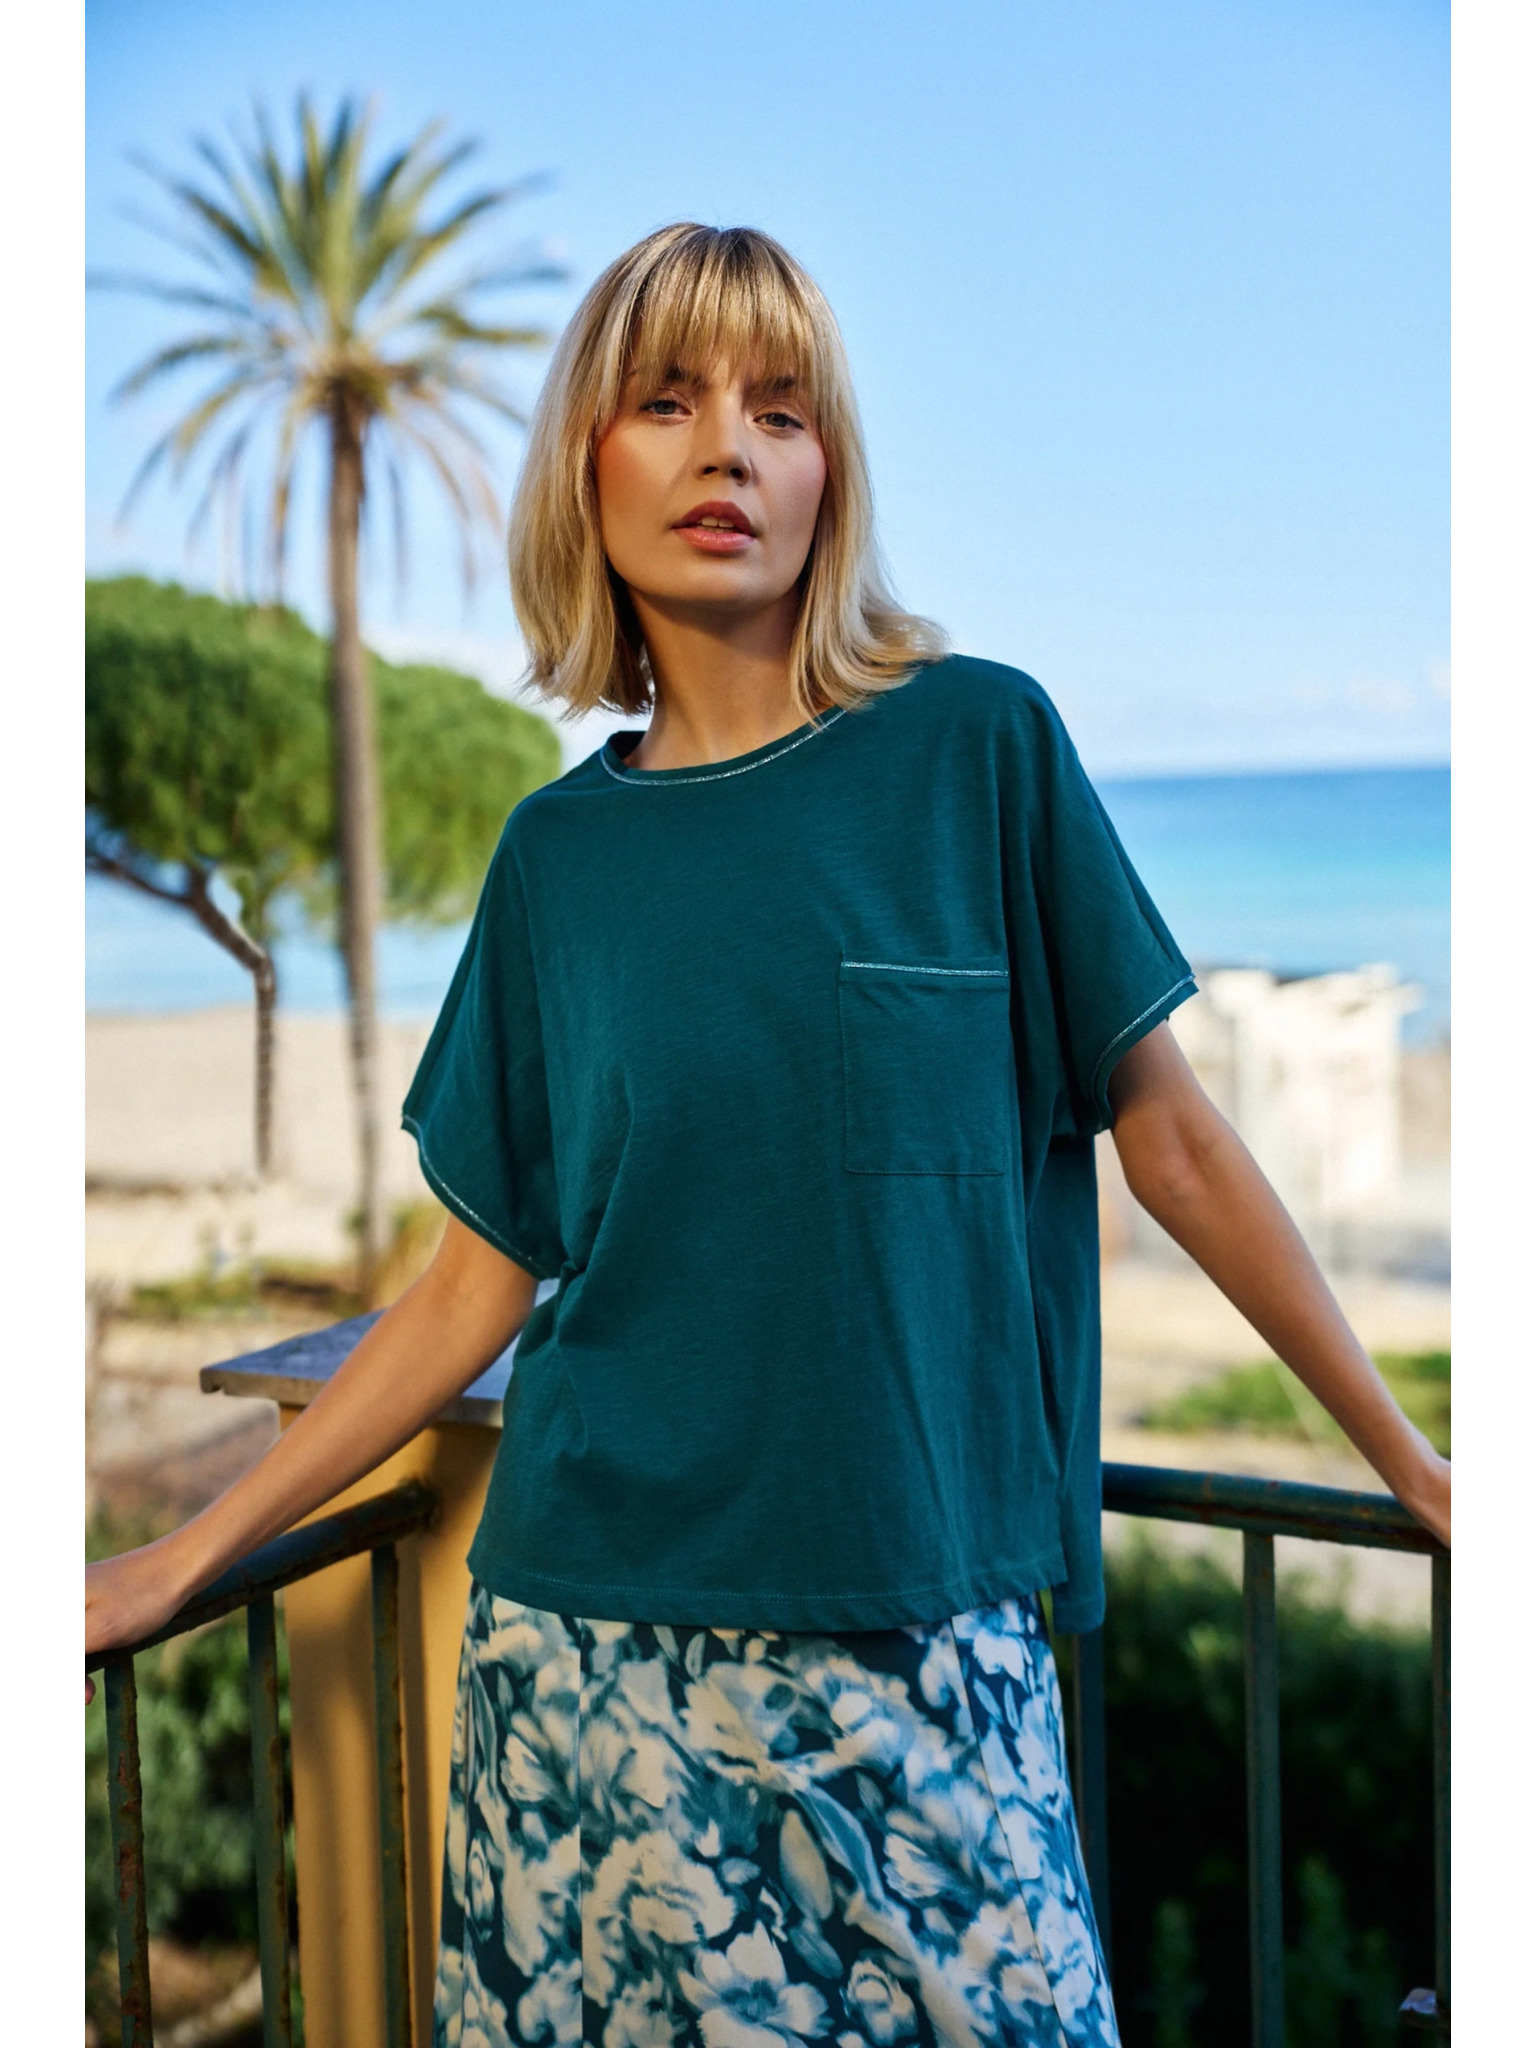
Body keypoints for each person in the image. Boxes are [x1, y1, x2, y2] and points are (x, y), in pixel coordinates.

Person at [86, 223, 1450, 2048]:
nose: (728, 446)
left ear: (830, 479)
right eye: (668, 400)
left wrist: (1418, 1471)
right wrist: (177, 1561)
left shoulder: (979, 750)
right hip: (587, 1674)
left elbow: (1177, 1147)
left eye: (781, 412)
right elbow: (472, 1290)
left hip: (931, 1648)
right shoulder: (556, 864)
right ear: (588, 464)